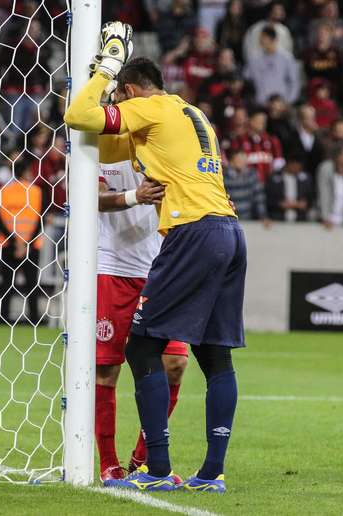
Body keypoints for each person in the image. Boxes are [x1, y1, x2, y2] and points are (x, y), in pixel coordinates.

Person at [64, 23, 244, 493]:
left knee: (142, 348)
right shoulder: (193, 114)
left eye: (120, 98)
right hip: (228, 230)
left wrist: (105, 64)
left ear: (129, 93)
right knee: (215, 356)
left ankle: (156, 468)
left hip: (190, 233)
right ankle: (211, 474)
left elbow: (78, 114)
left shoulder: (145, 110)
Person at [95, 133, 189, 484]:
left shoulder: (165, 142)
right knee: (107, 371)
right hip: (114, 268)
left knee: (175, 365)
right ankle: (109, 464)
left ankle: (143, 460)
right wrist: (137, 195)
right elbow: (92, 198)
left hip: (162, 271)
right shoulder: (98, 143)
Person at [0, 157, 43, 324]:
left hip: (8, 243)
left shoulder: (3, 191)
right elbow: (40, 220)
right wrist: (25, 243)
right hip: (31, 244)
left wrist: (15, 242)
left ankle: (3, 317)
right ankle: (34, 318)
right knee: (32, 284)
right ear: (26, 171)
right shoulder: (36, 191)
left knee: (6, 283)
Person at [244, 25, 300, 107]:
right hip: (261, 104)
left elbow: (294, 82)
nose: (260, 41)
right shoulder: (254, 58)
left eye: (263, 38)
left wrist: (288, 102)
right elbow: (247, 79)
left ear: (272, 39)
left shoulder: (287, 58)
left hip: (281, 104)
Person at [222, 149, 271, 224]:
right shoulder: (223, 176)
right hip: (229, 219)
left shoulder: (252, 174)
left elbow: (259, 197)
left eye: (244, 160)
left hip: (249, 218)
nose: (243, 163)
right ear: (231, 161)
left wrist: (263, 216)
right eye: (239, 160)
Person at [265, 154, 313, 222]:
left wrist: (304, 204)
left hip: (300, 220)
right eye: (295, 166)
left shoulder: (305, 179)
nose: (297, 169)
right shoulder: (274, 178)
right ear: (289, 164)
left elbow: (310, 199)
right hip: (278, 219)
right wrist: (279, 204)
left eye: (299, 167)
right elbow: (267, 199)